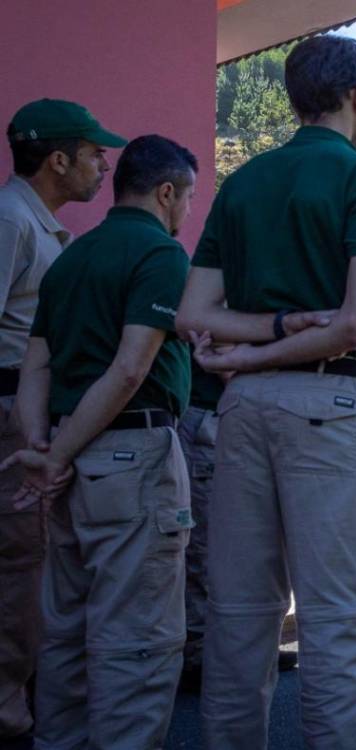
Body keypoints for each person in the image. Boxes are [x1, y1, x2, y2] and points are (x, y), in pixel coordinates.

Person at [176, 36, 356, 749]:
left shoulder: (244, 182)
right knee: (340, 626)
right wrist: (282, 338)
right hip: (330, 409)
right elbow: (355, 324)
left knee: (238, 623)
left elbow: (193, 315)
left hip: (243, 413)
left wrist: (251, 352)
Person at [3, 134, 197, 748]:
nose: (188, 210)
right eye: (187, 197)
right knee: (137, 641)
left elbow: (37, 365)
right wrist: (52, 457)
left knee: (66, 632)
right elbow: (130, 368)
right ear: (166, 193)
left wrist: (42, 448)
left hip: (67, 455)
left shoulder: (71, 257)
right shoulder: (161, 255)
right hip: (131, 456)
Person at [0, 98, 124, 744]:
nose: (103, 164)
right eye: (93, 153)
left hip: (25, 409)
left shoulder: (34, 223)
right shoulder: (11, 221)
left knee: (30, 558)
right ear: (57, 159)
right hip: (8, 411)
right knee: (17, 558)